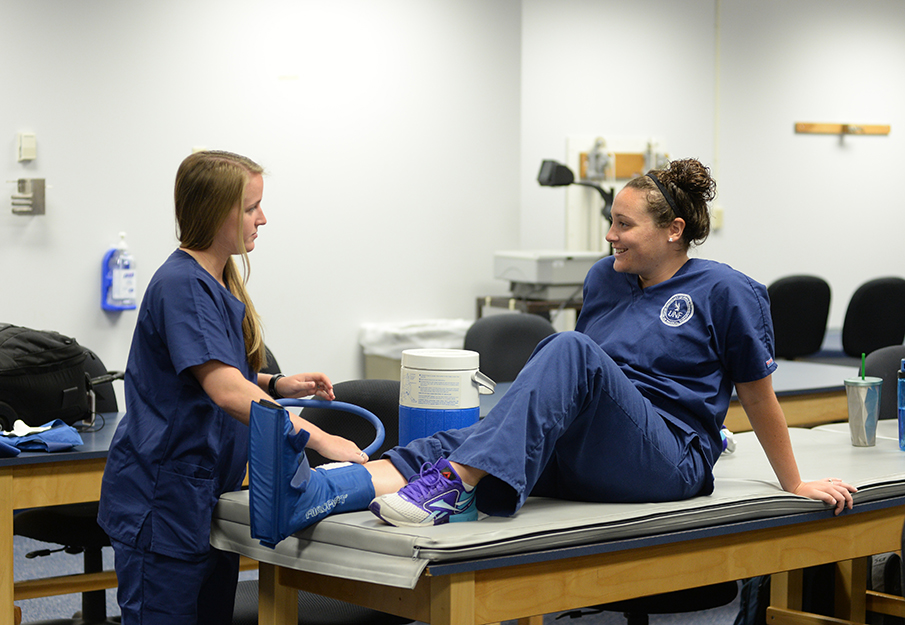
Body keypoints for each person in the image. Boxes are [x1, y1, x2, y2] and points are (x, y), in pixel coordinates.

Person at [254, 158, 855, 544]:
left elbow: (757, 394)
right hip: (591, 450)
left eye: (624, 225)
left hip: (667, 460)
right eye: (611, 223)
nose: (610, 235)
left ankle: (453, 488)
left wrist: (794, 482)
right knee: (459, 439)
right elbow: (579, 390)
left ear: (673, 230)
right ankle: (320, 494)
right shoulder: (605, 278)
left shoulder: (726, 291)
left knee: (566, 349)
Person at [97, 150, 367, 625]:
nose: (262, 219)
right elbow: (224, 390)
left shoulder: (218, 280)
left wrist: (278, 382)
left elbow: (216, 373)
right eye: (249, 208)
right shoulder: (181, 285)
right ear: (212, 212)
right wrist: (319, 437)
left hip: (203, 497)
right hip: (163, 500)